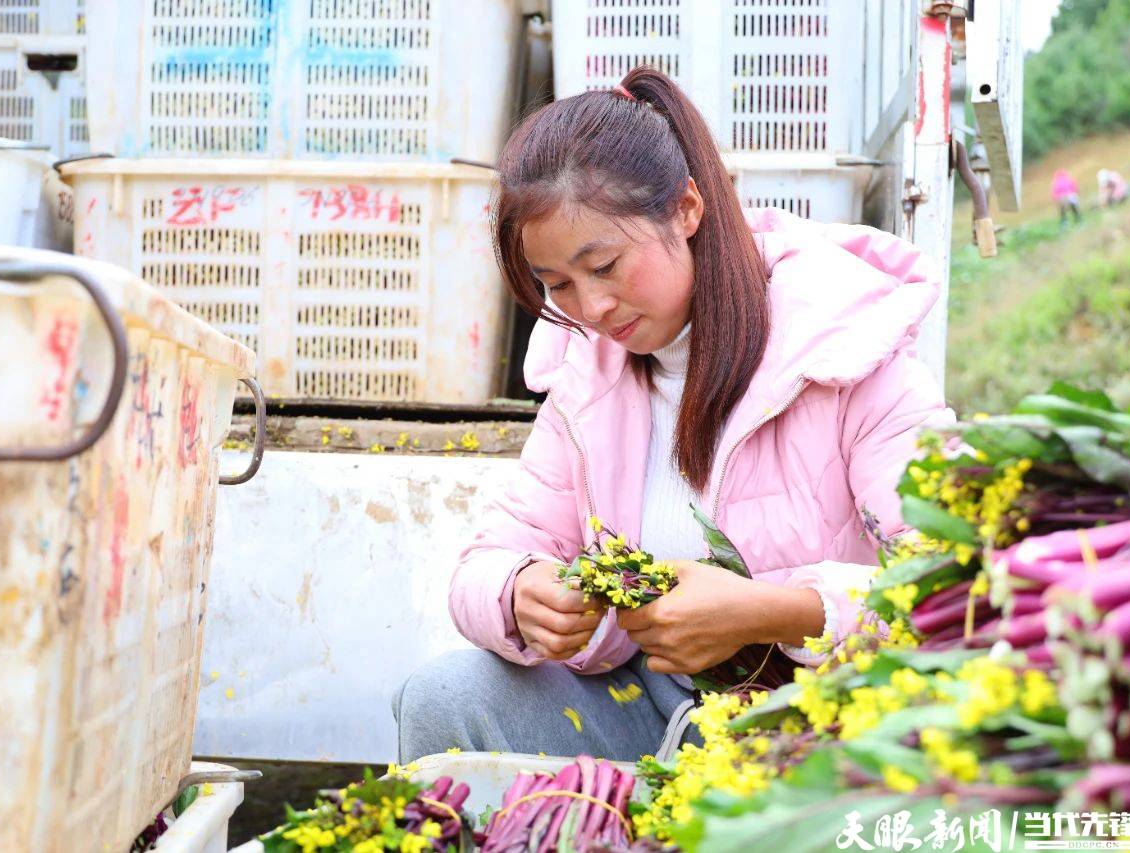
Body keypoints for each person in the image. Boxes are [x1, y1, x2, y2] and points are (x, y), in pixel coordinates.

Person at [392, 67, 952, 763]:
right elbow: (489, 558)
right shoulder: (585, 375)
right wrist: (518, 592)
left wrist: (775, 610)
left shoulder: (844, 349)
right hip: (653, 702)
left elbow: (954, 584)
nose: (592, 308)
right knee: (445, 697)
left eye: (606, 265)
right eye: (558, 283)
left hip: (820, 717)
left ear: (686, 209)